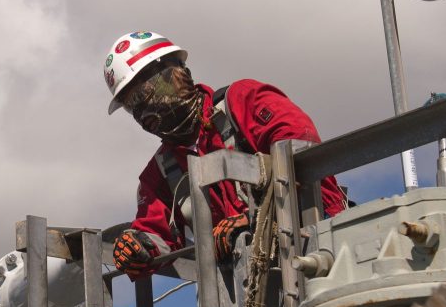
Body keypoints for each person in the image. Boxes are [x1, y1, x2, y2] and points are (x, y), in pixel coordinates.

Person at [103, 30, 347, 279]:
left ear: (177, 72)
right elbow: (156, 235)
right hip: (252, 291)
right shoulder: (161, 174)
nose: (143, 109)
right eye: (132, 104)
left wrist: (256, 219)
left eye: (143, 93)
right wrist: (137, 245)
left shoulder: (244, 101)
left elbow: (302, 158)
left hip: (325, 253)